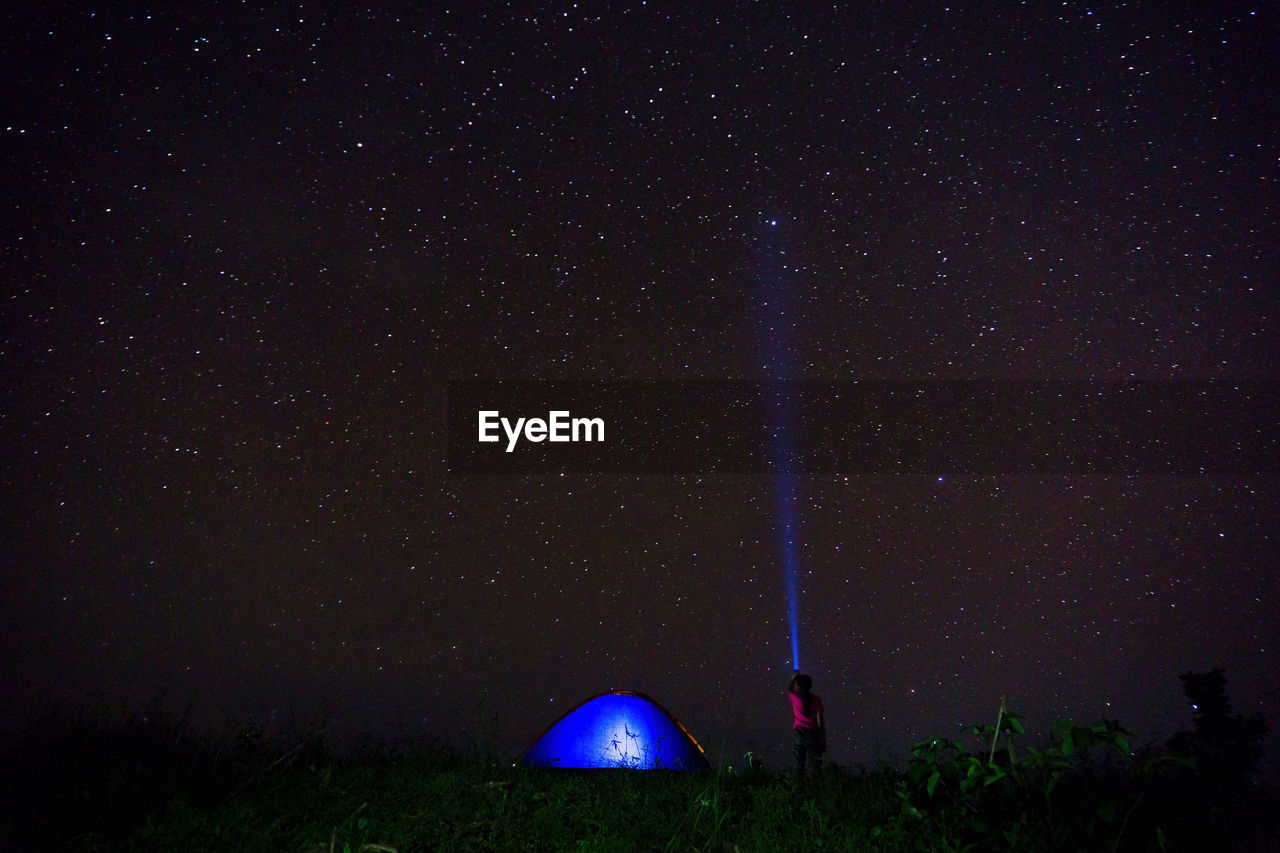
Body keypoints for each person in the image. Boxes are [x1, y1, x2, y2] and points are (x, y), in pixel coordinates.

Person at [788, 669, 826, 775]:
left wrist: (793, 679)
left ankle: (799, 787)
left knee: (799, 764)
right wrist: (823, 739)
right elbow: (820, 723)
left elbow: (790, 690)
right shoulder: (816, 700)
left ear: (798, 686)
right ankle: (815, 788)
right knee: (815, 765)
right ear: (810, 685)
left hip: (799, 733)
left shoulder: (795, 698)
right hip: (813, 733)